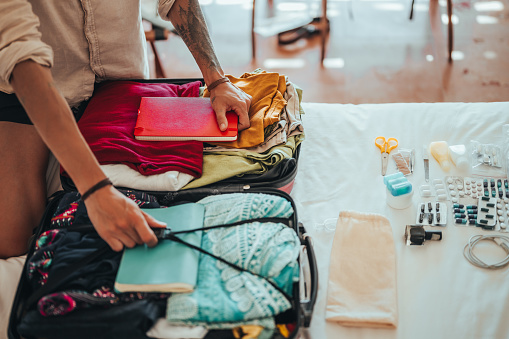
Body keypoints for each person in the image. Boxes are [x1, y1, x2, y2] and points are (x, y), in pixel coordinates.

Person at [0, 0, 252, 259]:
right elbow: (19, 52)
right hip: (29, 89)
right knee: (11, 242)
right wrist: (96, 190)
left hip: (120, 83)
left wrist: (217, 80)